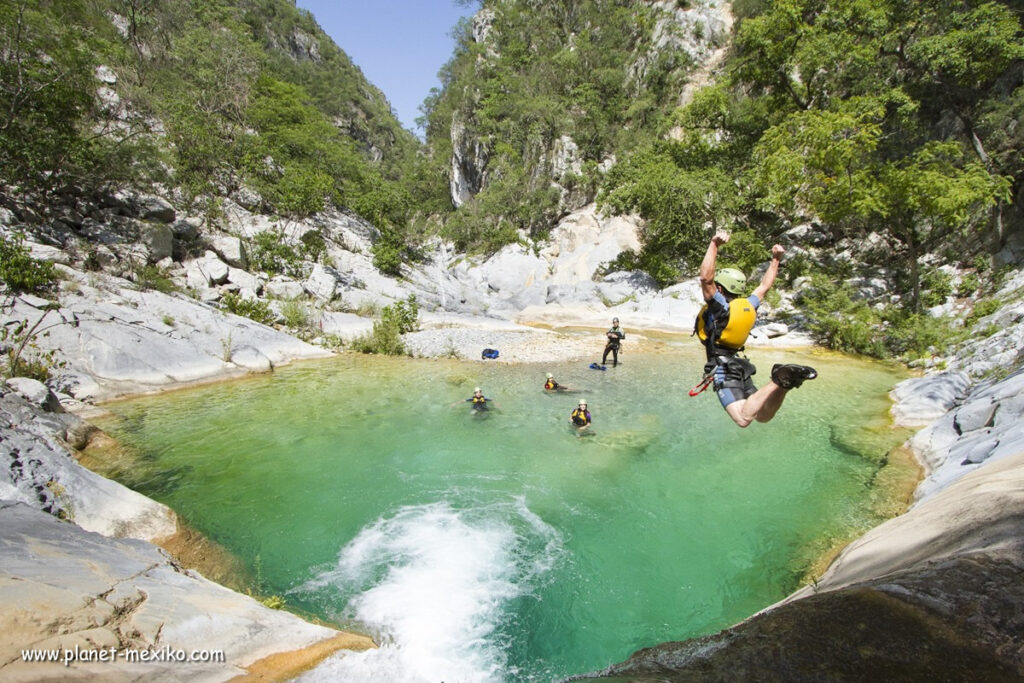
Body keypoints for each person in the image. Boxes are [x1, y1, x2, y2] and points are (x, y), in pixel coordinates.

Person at [695, 231, 817, 428]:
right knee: (762, 416)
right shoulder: (748, 305)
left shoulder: (719, 307)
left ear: (719, 288)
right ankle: (784, 382)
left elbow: (705, 278)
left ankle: (779, 378)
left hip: (724, 368)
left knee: (743, 419)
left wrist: (714, 244)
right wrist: (776, 259)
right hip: (739, 365)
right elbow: (764, 286)